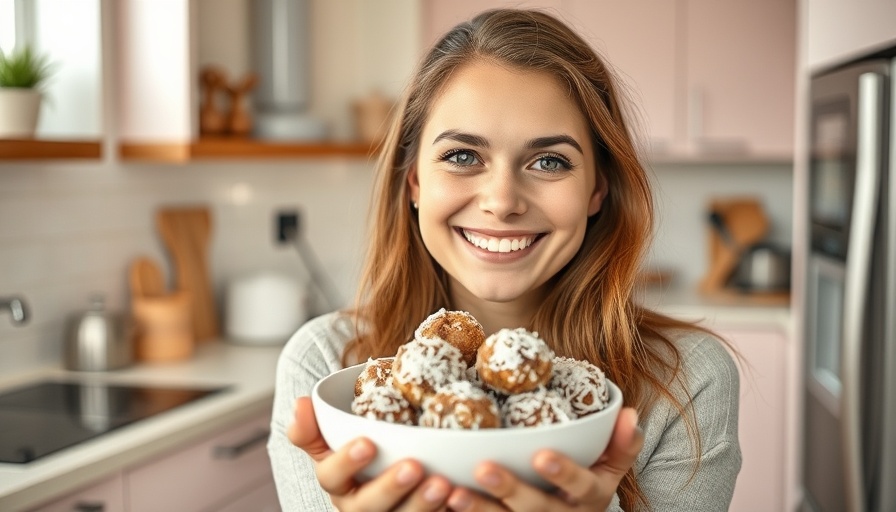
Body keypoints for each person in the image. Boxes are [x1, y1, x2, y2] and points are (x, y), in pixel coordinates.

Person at [267, 8, 742, 511]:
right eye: (463, 156)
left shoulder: (684, 381)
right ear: (414, 182)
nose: (502, 200)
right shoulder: (327, 369)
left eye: (549, 161)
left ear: (596, 190)